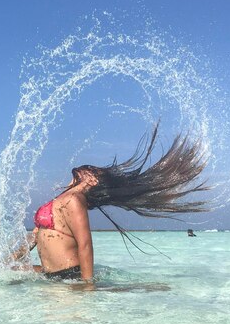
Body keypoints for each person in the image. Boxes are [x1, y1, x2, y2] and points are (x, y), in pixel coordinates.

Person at [14, 122, 210, 284]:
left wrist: (88, 286)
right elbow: (36, 235)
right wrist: (13, 259)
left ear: (92, 180)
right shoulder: (61, 200)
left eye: (88, 170)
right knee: (14, 276)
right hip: (50, 274)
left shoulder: (75, 200)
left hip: (68, 275)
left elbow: (85, 244)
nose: (80, 170)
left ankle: (151, 287)